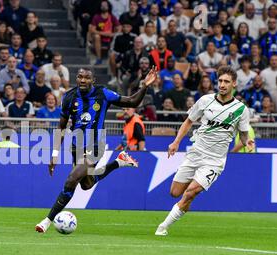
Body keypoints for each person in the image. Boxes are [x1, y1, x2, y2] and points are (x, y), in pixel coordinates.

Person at [35, 66, 158, 233]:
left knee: (72, 179)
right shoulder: (69, 97)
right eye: (80, 77)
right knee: (86, 184)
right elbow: (61, 128)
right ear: (76, 78)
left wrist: (145, 85)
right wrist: (55, 154)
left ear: (93, 80)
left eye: (87, 77)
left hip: (96, 145)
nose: (83, 80)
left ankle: (47, 221)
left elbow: (132, 102)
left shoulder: (103, 94)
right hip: (76, 147)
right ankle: (118, 163)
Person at [155, 66, 254, 236]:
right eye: (220, 81)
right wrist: (176, 142)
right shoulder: (205, 100)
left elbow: (244, 135)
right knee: (175, 193)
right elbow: (188, 121)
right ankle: (184, 206)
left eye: (226, 82)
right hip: (195, 154)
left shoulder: (241, 110)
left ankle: (163, 227)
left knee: (190, 192)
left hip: (214, 161)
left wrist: (248, 142)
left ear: (234, 84)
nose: (222, 84)